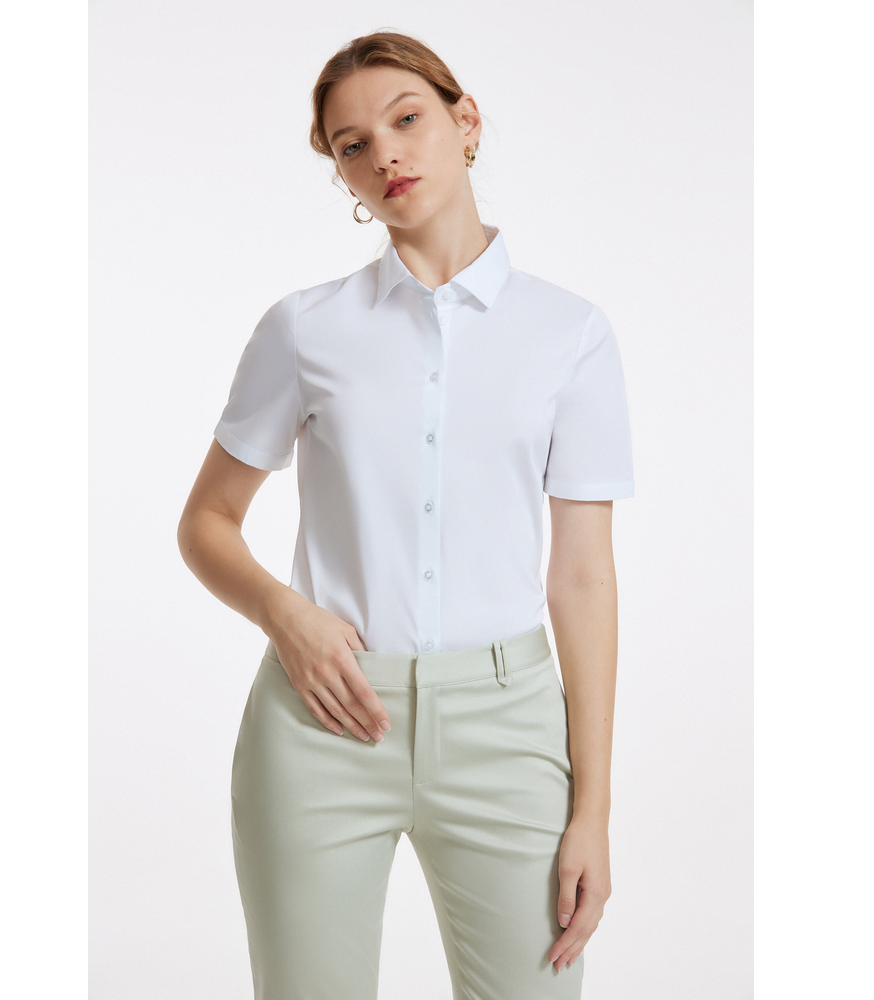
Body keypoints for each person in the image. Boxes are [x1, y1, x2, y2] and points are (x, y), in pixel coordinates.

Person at [177, 30, 634, 1000]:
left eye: (406, 118)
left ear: (466, 123)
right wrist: (286, 614)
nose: (384, 152)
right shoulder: (304, 330)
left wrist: (591, 808)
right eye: (352, 145)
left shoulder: (570, 334)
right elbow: (207, 521)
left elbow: (583, 577)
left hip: (507, 729)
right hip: (319, 721)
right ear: (343, 175)